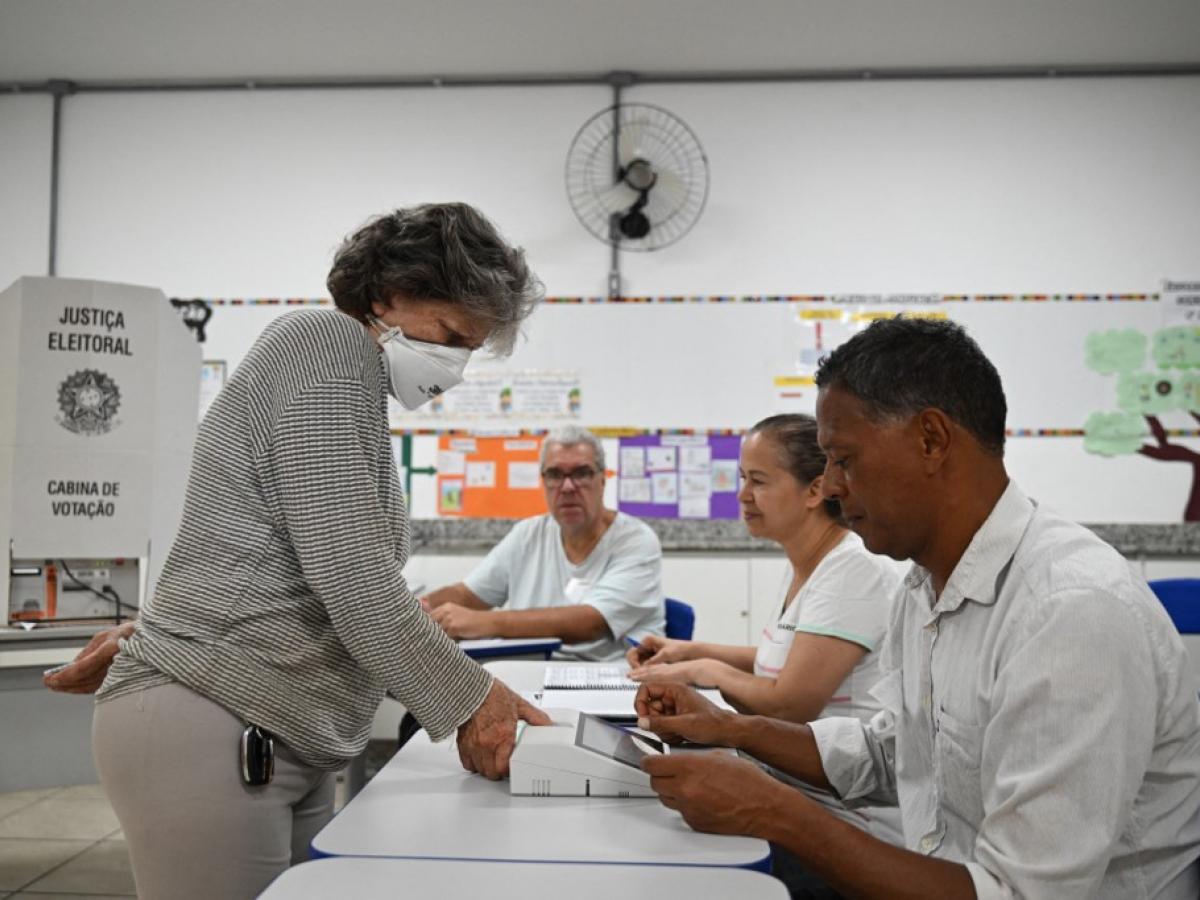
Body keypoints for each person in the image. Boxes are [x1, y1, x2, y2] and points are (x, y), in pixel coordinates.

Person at [67, 203, 551, 900]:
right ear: (390, 294)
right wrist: (474, 698)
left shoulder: (351, 381)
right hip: (222, 720)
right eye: (450, 336)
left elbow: (273, 558)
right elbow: (354, 581)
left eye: (470, 350)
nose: (454, 366)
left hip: (277, 730)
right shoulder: (325, 345)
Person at [633, 317, 1200, 900]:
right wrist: (728, 728)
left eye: (843, 459)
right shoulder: (925, 585)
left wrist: (776, 812)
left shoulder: (1067, 612)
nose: (830, 487)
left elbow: (1018, 894)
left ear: (931, 439)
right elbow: (894, 753)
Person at [626, 414, 902, 850]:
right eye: (742, 478)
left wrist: (704, 671)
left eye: (758, 481)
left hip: (846, 823)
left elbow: (789, 703)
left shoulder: (853, 571)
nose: (742, 495)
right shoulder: (807, 564)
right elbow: (782, 658)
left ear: (815, 490)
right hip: (792, 791)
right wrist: (687, 651)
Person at [424, 425, 665, 661]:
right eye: (555, 475)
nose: (567, 487)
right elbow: (467, 594)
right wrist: (415, 608)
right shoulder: (528, 534)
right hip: (531, 667)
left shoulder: (636, 541)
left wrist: (481, 622)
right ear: (544, 481)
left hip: (607, 676)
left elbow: (591, 623)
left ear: (602, 479)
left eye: (581, 473)